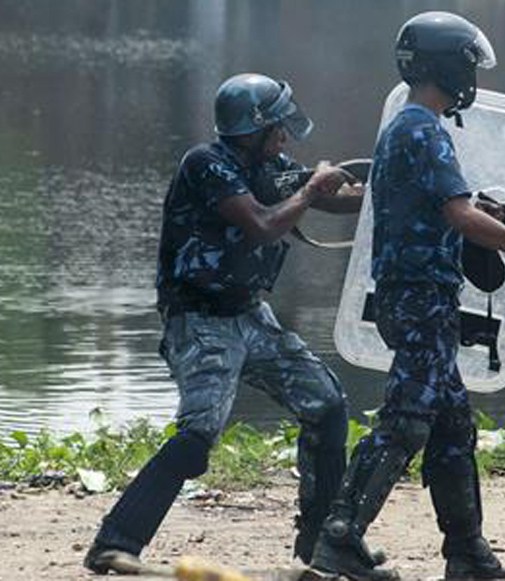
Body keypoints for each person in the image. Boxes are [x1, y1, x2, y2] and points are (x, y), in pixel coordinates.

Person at [310, 12, 505, 581]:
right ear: (447, 65)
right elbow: (457, 213)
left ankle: (467, 553)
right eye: (468, 64)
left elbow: (447, 207)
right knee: (405, 422)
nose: (471, 75)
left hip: (419, 298)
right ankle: (341, 537)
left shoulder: (409, 127)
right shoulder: (423, 130)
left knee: (451, 429)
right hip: (420, 299)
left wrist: (485, 217)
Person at [83, 73, 363, 574]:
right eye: (277, 126)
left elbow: (325, 197)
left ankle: (318, 547)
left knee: (326, 404)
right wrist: (313, 188)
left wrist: (371, 189)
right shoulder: (206, 165)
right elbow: (261, 225)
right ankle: (114, 541)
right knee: (197, 438)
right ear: (253, 128)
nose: (285, 137)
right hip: (199, 320)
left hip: (249, 314)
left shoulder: (269, 165)